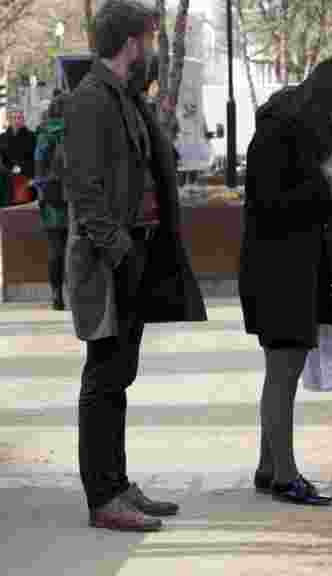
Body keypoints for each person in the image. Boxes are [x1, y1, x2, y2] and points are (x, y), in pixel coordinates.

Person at [65, 0, 207, 532]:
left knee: (119, 375)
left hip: (134, 250)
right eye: (146, 39)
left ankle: (118, 484)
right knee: (104, 377)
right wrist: (121, 252)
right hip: (109, 261)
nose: (149, 48)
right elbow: (84, 191)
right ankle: (102, 497)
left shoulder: (123, 96)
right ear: (129, 43)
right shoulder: (89, 101)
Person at [240, 57, 332, 506]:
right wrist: (329, 190)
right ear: (328, 101)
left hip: (294, 264)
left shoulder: (300, 127)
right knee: (283, 373)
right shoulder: (284, 131)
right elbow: (274, 200)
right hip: (279, 266)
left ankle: (268, 465)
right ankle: (285, 476)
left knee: (281, 371)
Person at [34, 95, 71, 311]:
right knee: (76, 248)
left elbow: (39, 165)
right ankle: (77, 293)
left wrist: (41, 192)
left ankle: (57, 295)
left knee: (55, 247)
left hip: (52, 198)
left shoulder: (45, 134)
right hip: (74, 196)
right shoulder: (76, 132)